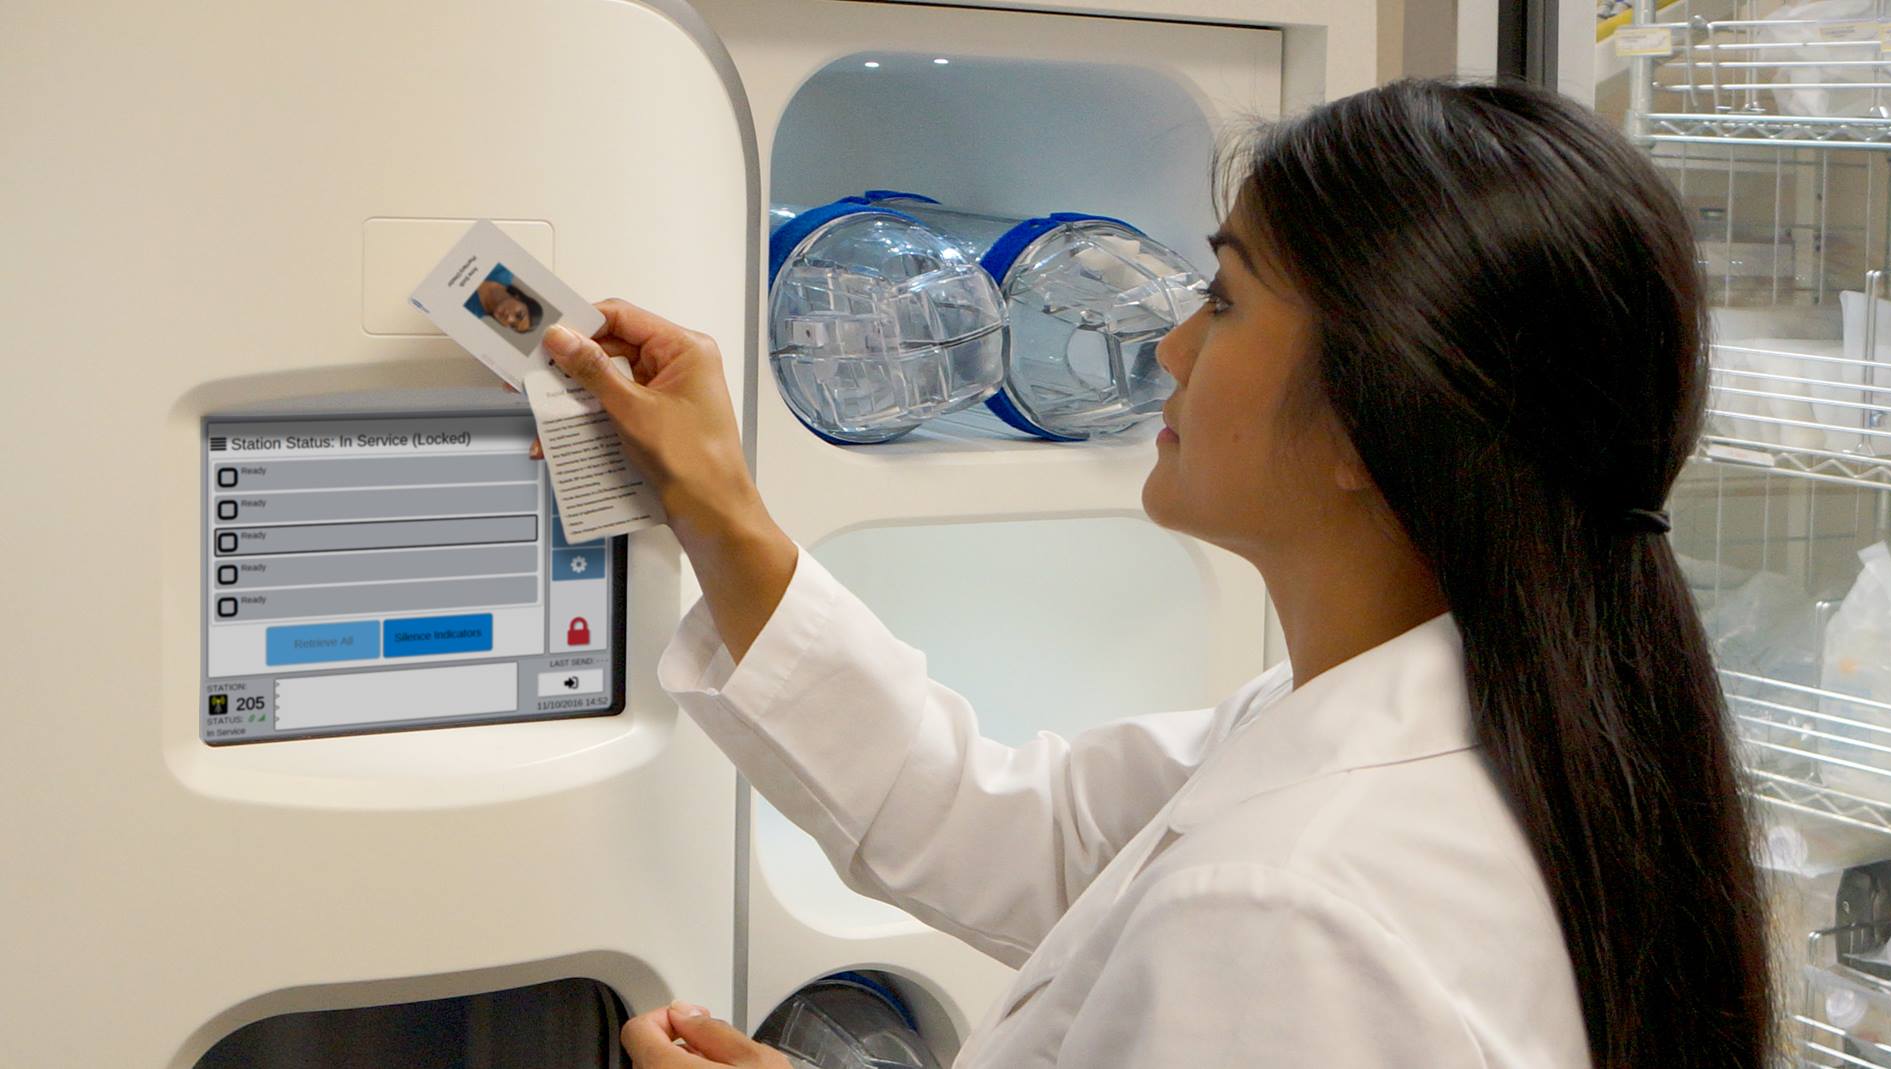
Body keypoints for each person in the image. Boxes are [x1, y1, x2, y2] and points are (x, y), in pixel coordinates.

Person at [542, 79, 1771, 1068]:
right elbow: (996, 825)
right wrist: (717, 503)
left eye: (1225, 303)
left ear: (1365, 423)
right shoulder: (1472, 723)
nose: (1169, 347)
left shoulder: (1287, 910)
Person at [465, 264, 543, 333]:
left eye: (512, 325)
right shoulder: (504, 268)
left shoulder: (469, 314)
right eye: (518, 315)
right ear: (519, 298)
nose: (509, 319)